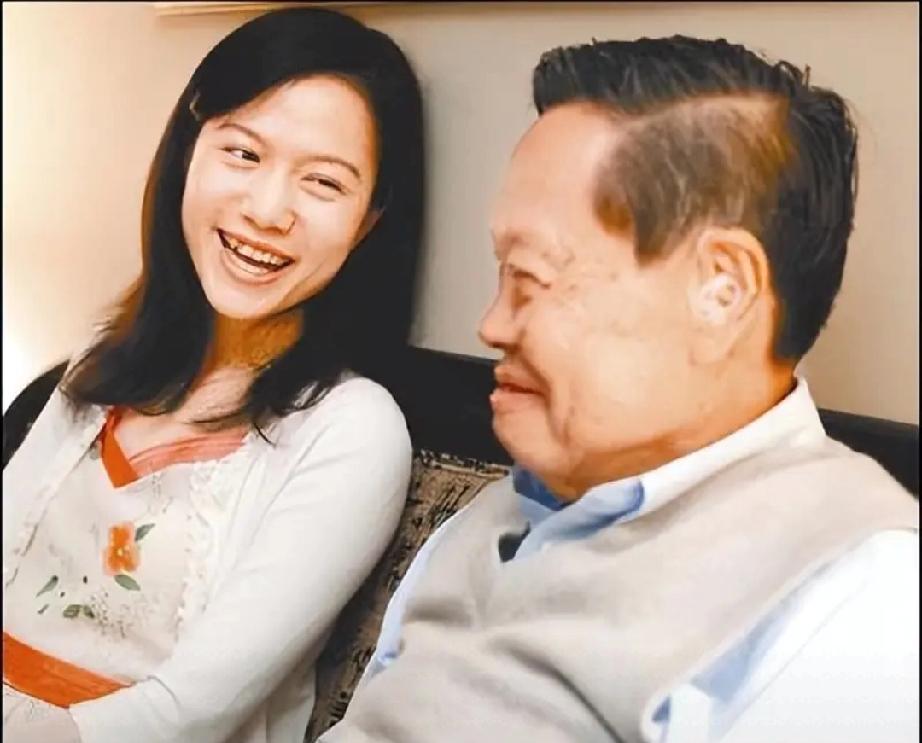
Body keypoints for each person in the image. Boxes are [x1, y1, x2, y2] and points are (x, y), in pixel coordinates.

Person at [318, 36, 919, 743]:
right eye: (501, 272)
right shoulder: (487, 520)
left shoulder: (857, 599)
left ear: (721, 291)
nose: (492, 324)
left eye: (532, 278)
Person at [2, 7, 424, 743]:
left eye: (323, 182)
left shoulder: (352, 430)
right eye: (244, 153)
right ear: (188, 153)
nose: (267, 210)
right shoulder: (102, 360)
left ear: (370, 219)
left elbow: (189, 713)